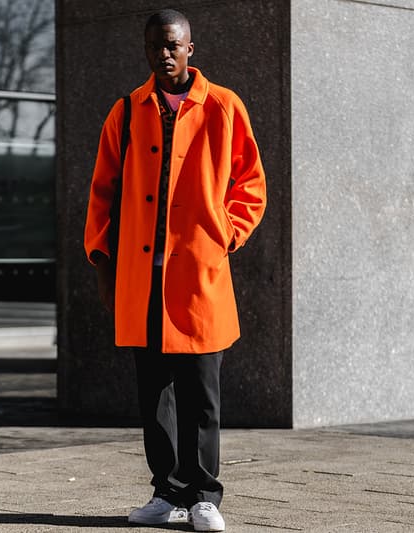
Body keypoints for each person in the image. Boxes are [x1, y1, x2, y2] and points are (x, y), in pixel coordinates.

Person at [83, 8, 266, 533]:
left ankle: (206, 495)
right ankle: (167, 495)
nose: (162, 53)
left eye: (171, 44)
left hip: (198, 277)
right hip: (142, 279)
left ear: (190, 48)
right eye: (153, 46)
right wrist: (101, 257)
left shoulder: (224, 106)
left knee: (201, 397)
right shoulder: (126, 110)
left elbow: (251, 185)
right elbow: (103, 192)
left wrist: (225, 235)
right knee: (155, 396)